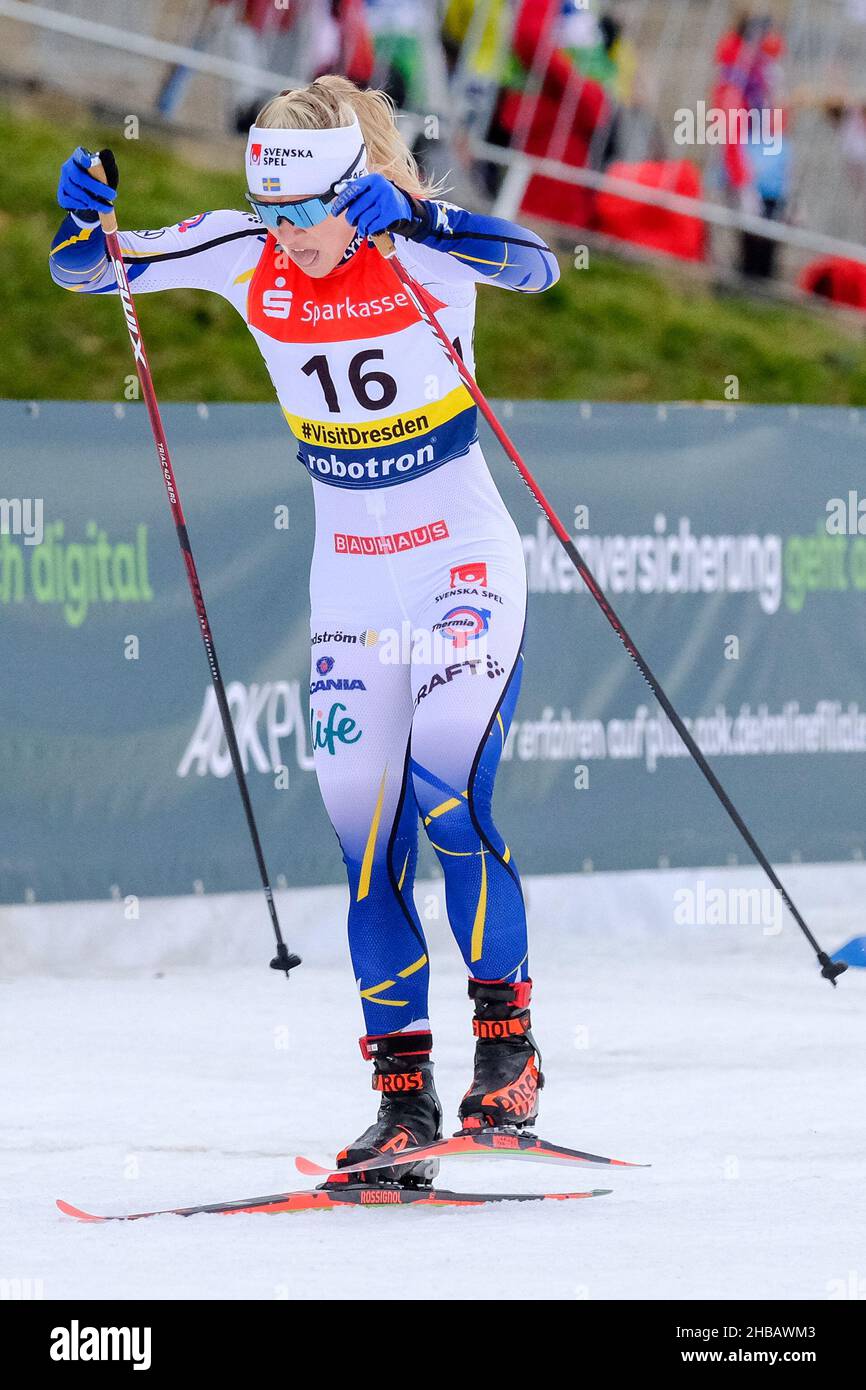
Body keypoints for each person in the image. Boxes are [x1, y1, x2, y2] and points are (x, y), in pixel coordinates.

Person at [49, 76, 559, 1186]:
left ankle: (508, 1055)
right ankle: (401, 1102)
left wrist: (419, 217)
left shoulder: (413, 240)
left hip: (460, 563)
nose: (288, 240)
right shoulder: (248, 248)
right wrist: (78, 219)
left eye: (304, 215)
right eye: (268, 214)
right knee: (367, 848)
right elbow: (88, 269)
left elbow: (538, 265)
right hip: (354, 588)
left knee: (447, 792)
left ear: (353, 187)